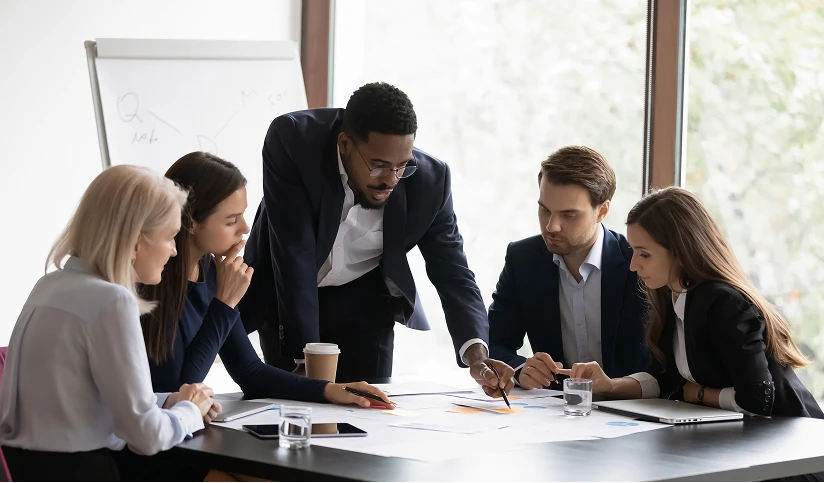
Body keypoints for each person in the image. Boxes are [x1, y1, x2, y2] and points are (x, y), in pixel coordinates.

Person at [241, 82, 513, 395]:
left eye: (402, 166)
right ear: (344, 144)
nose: (391, 179)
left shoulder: (431, 182)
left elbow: (454, 273)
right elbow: (294, 254)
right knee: (296, 409)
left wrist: (478, 357)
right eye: (379, 166)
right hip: (289, 296)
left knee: (370, 410)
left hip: (365, 302)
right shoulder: (293, 141)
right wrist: (307, 362)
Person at [0, 165, 216, 481]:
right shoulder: (113, 301)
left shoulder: (48, 286)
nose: (173, 250)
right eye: (170, 237)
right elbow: (147, 436)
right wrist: (190, 411)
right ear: (136, 242)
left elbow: (84, 400)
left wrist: (166, 400)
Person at [140, 152, 394, 409]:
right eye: (231, 220)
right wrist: (225, 303)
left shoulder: (212, 271)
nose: (245, 228)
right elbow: (177, 391)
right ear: (191, 222)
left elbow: (249, 371)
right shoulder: (151, 280)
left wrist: (330, 390)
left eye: (242, 215)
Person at [560, 186, 824, 418]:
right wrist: (610, 385)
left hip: (790, 451)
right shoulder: (670, 296)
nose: (632, 265)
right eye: (633, 252)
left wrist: (699, 394)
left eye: (644, 254)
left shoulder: (724, 304)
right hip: (741, 441)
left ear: (681, 251)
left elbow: (759, 400)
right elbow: (665, 380)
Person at [489, 146, 650, 390]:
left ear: (602, 211)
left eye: (569, 215)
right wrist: (521, 370)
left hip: (629, 409)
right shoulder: (522, 259)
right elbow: (494, 342)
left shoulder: (638, 263)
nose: (551, 226)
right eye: (545, 210)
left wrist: (614, 387)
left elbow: (663, 362)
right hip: (553, 412)